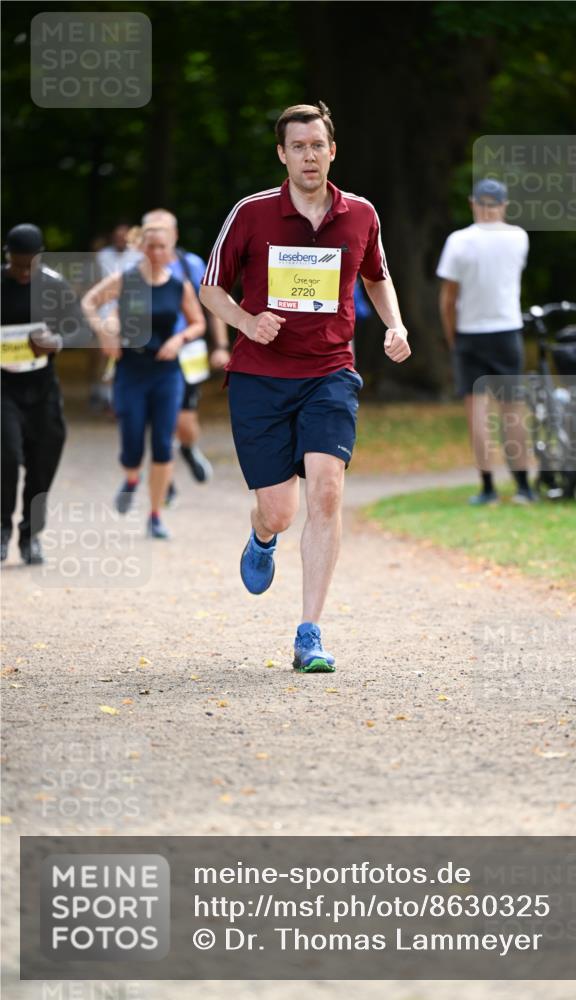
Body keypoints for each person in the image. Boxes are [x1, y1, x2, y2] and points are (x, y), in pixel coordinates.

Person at [200, 101, 410, 673]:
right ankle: (261, 537)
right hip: (261, 378)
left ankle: (309, 632)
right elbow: (211, 289)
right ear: (282, 155)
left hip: (330, 372)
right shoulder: (252, 213)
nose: (309, 155)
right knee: (279, 510)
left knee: (326, 490)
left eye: (317, 144)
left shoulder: (361, 214)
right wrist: (246, 322)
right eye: (298, 146)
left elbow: (377, 276)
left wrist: (395, 324)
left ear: (332, 150)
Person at [82, 224, 206, 539]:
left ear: (170, 251)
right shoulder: (126, 281)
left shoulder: (179, 286)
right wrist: (104, 331)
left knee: (163, 444)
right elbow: (89, 303)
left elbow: (198, 323)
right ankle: (132, 478)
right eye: (150, 246)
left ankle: (155, 515)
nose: (156, 252)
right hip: (130, 370)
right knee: (133, 441)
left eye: (162, 247)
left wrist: (179, 340)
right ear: (141, 249)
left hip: (166, 373)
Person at [437, 178, 533, 505]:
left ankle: (488, 487)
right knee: (512, 412)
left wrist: (453, 338)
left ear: (473, 203)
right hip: (507, 330)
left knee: (477, 413)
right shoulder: (519, 238)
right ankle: (523, 486)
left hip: (470, 332)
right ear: (504, 204)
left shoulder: (459, 241)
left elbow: (448, 299)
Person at [1, 224, 91, 564]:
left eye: (31, 265)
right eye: (18, 264)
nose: (24, 272)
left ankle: (31, 534)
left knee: (44, 458)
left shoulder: (54, 286)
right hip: (4, 387)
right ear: (7, 255)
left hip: (41, 386)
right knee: (7, 457)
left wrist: (58, 342)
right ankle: (2, 529)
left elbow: (81, 327)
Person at [141, 209, 231, 495]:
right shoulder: (135, 271)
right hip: (151, 354)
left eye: (163, 232)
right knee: (157, 416)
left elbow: (213, 305)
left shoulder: (190, 264)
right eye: (151, 233)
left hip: (188, 351)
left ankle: (188, 448)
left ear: (174, 235)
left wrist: (221, 346)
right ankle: (163, 477)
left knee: (184, 420)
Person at [90, 223, 143, 411]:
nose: (121, 240)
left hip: (130, 311)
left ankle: (119, 398)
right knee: (104, 354)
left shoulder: (138, 255)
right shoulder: (103, 255)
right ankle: (103, 394)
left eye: (124, 237)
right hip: (105, 310)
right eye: (117, 237)